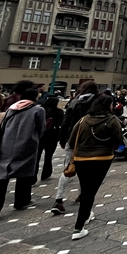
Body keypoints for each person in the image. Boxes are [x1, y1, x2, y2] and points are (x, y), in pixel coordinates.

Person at [67, 95, 123, 240]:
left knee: (86, 188)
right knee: (90, 191)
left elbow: (72, 140)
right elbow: (118, 139)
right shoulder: (112, 120)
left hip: (81, 158)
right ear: (108, 106)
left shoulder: (83, 120)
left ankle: (86, 215)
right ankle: (78, 227)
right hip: (102, 158)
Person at [0, 88, 45, 215]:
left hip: (7, 143)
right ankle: (22, 201)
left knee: (2, 175)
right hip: (27, 143)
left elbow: (3, 125)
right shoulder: (38, 109)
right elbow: (41, 128)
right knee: (25, 174)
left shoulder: (11, 108)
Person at [51, 81, 99, 215]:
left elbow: (66, 121)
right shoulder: (97, 101)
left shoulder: (74, 101)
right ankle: (82, 195)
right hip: (91, 140)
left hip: (72, 139)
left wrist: (62, 138)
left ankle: (59, 199)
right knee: (89, 170)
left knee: (68, 167)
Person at [38, 96, 64, 181]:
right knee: (48, 156)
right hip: (53, 135)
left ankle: (33, 174)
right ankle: (46, 174)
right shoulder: (59, 112)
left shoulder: (41, 110)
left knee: (37, 156)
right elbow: (61, 123)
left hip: (40, 135)